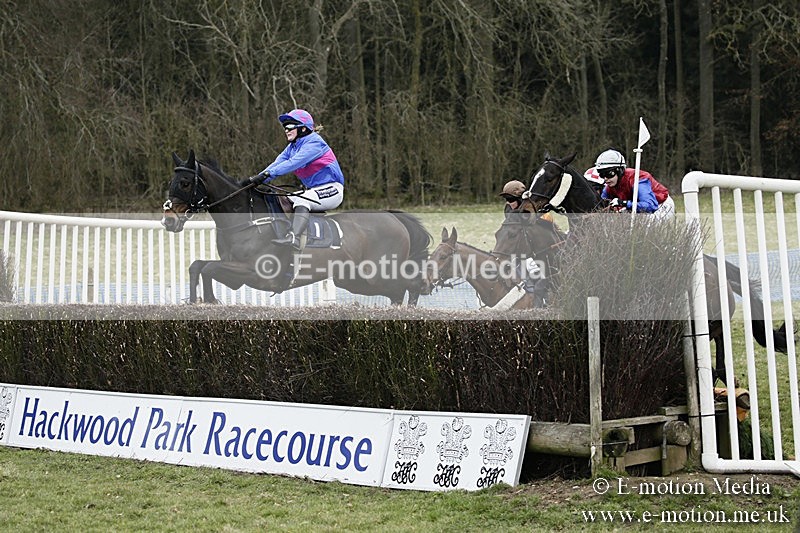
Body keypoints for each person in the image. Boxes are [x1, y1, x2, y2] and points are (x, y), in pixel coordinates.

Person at [241, 109, 345, 249]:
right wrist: (256, 179)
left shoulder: (315, 143)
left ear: (303, 128)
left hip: (333, 190)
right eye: (285, 127)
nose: (286, 130)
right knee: (283, 198)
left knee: (303, 200)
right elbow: (277, 163)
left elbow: (292, 163)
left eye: (290, 127)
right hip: (313, 191)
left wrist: (266, 176)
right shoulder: (292, 147)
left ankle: (294, 238)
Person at [593, 148, 675, 220]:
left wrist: (623, 203)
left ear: (620, 170)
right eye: (602, 174)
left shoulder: (638, 179)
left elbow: (650, 206)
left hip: (660, 205)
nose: (605, 179)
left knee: (644, 224)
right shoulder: (609, 187)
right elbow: (601, 207)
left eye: (609, 173)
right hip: (638, 205)